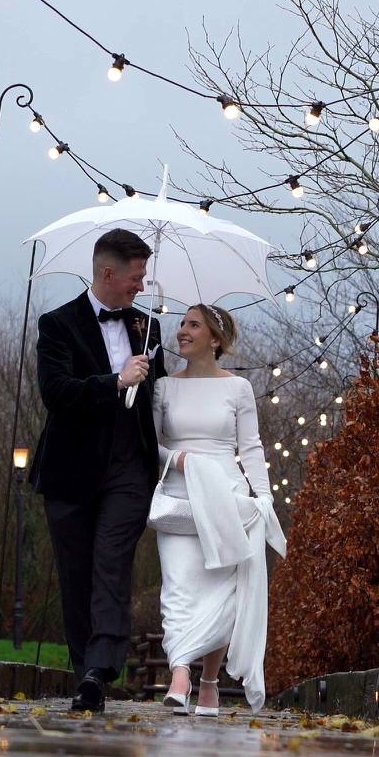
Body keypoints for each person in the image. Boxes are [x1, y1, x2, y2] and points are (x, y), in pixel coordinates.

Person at [29, 228, 165, 713]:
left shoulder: (148, 328)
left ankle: (100, 667)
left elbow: (158, 401)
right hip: (70, 469)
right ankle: (85, 672)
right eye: (135, 277)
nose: (141, 287)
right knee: (77, 572)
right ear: (107, 273)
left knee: (112, 562)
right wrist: (114, 381)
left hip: (130, 467)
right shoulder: (57, 324)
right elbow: (57, 394)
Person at [150, 304, 285, 715]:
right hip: (178, 498)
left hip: (226, 497)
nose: (181, 332)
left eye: (193, 325)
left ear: (215, 339)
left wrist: (263, 499)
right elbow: (147, 445)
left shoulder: (238, 390)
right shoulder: (163, 388)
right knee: (178, 588)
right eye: (182, 325)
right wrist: (178, 461)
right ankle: (179, 675)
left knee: (221, 594)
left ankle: (208, 680)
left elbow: (252, 447)